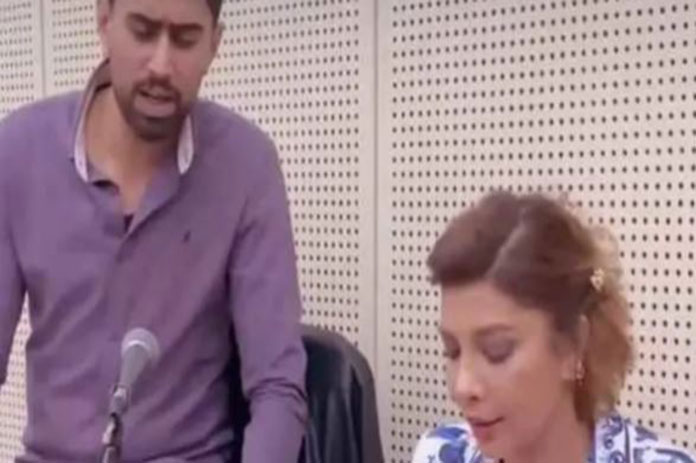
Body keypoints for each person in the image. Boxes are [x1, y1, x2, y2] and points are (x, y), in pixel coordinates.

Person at [0, 0, 307, 462]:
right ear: (104, 21)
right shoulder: (18, 151)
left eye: (185, 40)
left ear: (214, 45)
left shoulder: (246, 166)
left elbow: (277, 386)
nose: (162, 66)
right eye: (143, 32)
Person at [411, 191, 694, 463]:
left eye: (497, 351)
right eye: (452, 351)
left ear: (573, 345)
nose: (462, 387)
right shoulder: (440, 454)